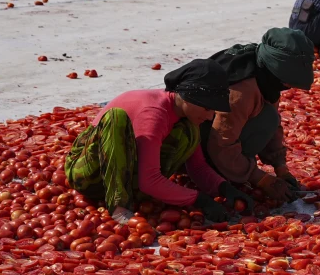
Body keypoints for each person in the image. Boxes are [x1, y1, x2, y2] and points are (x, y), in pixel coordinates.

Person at [64, 60, 252, 224]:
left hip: (126, 172)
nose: (210, 116)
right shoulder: (154, 114)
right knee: (116, 118)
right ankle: (119, 206)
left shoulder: (186, 117)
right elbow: (149, 181)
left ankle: (133, 196)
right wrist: (197, 199)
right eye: (207, 108)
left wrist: (223, 187)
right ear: (188, 97)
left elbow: (198, 168)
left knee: (189, 131)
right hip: (89, 174)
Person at [203, 28, 315, 204]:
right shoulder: (242, 90)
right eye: (287, 81)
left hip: (219, 134)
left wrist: (280, 167)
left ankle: (233, 168)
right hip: (199, 147)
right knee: (267, 118)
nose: (288, 86)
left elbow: (272, 122)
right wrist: (259, 178)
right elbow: (221, 142)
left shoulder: (264, 72)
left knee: (269, 117)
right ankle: (218, 171)